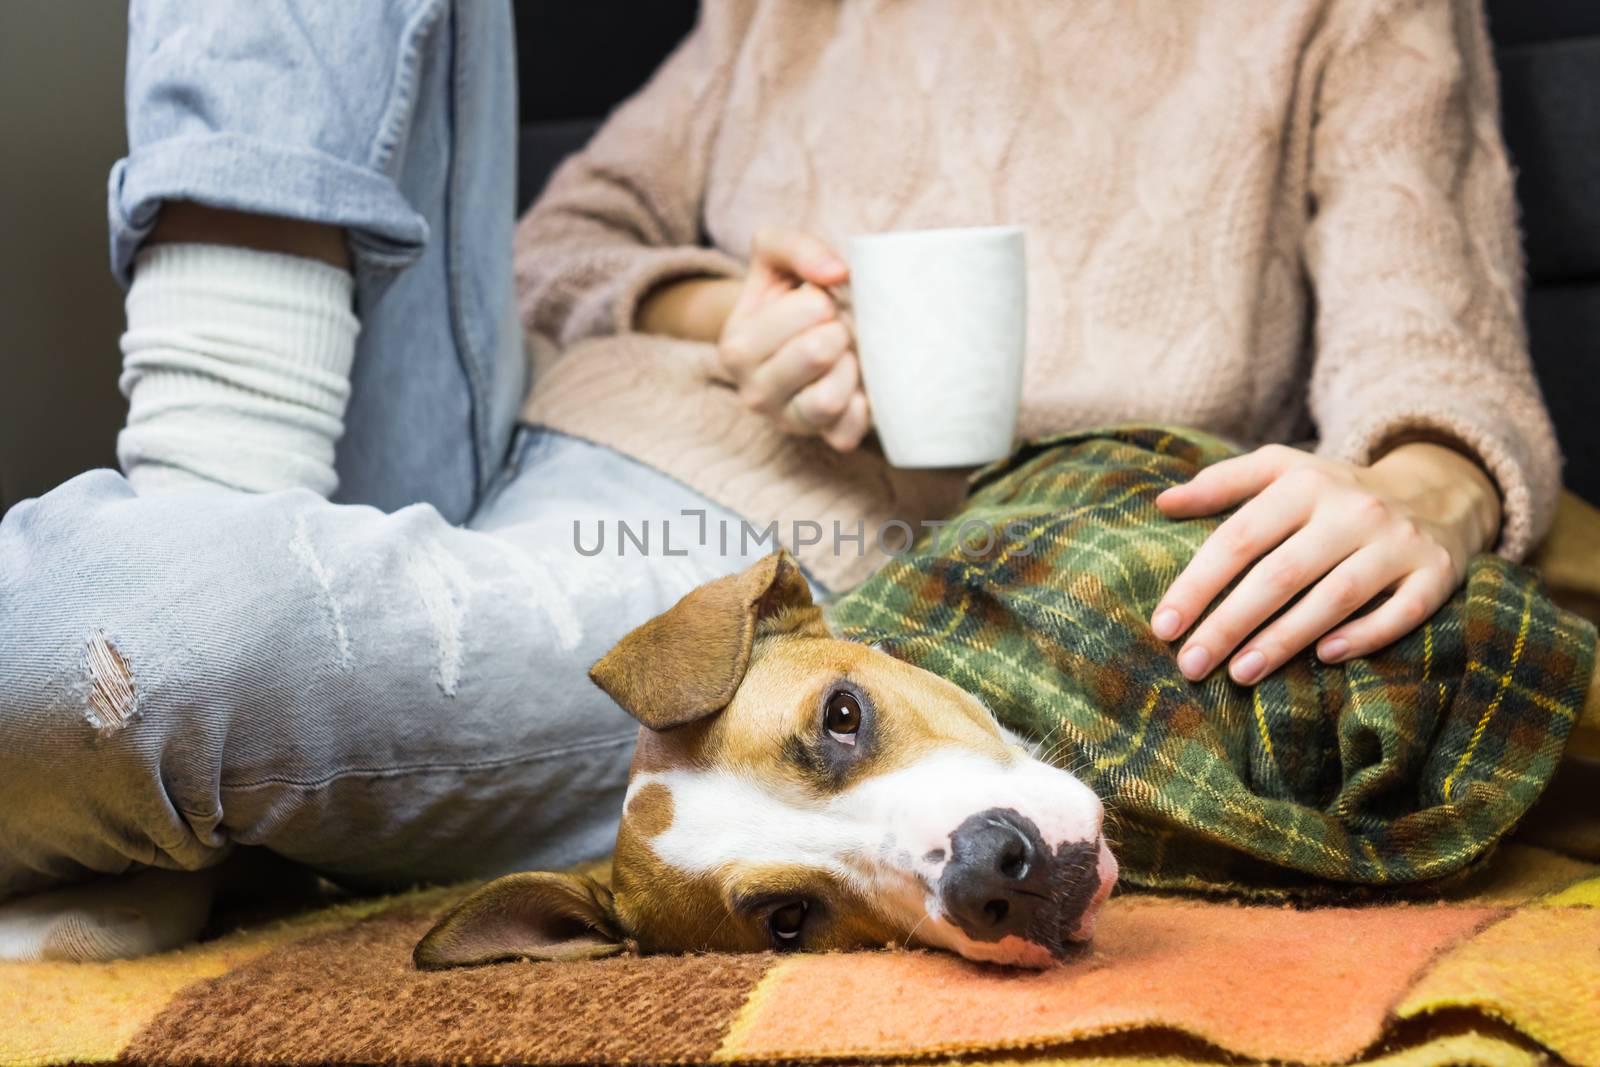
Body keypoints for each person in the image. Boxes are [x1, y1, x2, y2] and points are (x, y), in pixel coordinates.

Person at [0, 0, 1558, 960]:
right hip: (492, 424)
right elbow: (557, 248)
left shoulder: (1338, 13)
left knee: (141, 642)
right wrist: (723, 313)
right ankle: (212, 509)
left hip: (753, 583)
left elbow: (1443, 370)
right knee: (151, 628)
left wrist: (1428, 490)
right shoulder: (785, 8)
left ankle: (174, 681)